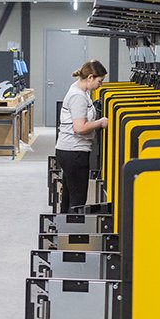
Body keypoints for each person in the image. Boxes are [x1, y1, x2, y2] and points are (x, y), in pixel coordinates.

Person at [55, 59, 108, 213]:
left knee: (69, 197)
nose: (100, 85)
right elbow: (79, 128)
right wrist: (100, 122)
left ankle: (64, 225)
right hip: (74, 153)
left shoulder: (80, 91)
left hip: (70, 151)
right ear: (90, 77)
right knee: (77, 200)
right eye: (100, 81)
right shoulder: (78, 96)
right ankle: (73, 226)